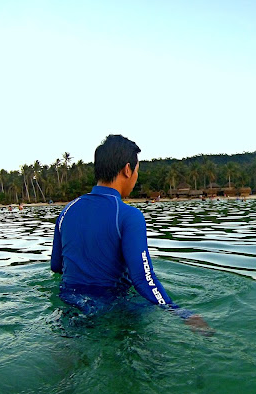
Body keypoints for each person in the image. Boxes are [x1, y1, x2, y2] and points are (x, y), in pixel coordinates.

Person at [51, 135, 210, 333]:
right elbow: (143, 279)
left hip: (69, 305)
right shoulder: (129, 215)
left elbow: (56, 266)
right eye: (136, 171)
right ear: (127, 170)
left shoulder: (66, 211)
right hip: (112, 309)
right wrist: (178, 312)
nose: (136, 177)